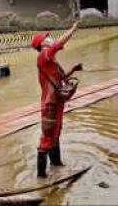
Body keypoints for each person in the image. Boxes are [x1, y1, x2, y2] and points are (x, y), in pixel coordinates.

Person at [31, 21, 83, 178]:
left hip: (57, 103)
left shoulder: (50, 61)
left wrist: (73, 69)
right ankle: (41, 178)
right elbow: (58, 43)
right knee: (47, 138)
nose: (50, 39)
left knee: (55, 134)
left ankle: (56, 164)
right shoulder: (43, 55)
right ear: (42, 44)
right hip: (50, 104)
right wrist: (73, 29)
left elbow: (61, 79)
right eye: (47, 38)